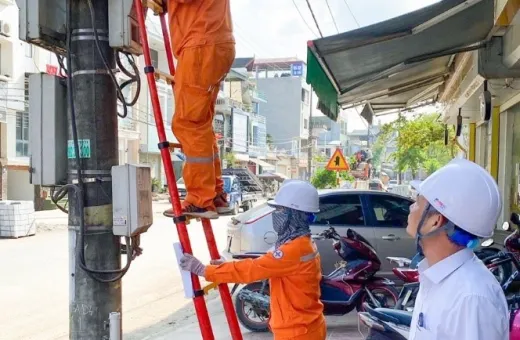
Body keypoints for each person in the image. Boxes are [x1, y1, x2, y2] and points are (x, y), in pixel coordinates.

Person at [180, 180, 327, 340]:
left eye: (280, 210)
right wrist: (226, 266)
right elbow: (267, 264)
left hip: (298, 333)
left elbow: (254, 269)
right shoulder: (302, 242)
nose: (275, 215)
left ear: (294, 215)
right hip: (305, 328)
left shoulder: (294, 249)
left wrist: (205, 270)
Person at [407, 158, 508, 340]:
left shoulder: (471, 298)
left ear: (435, 221)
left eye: (417, 202)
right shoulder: (437, 278)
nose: (411, 207)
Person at [164, 0, 236, 219]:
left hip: (201, 44)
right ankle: (213, 195)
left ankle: (200, 200)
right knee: (201, 124)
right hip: (212, 43)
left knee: (189, 123)